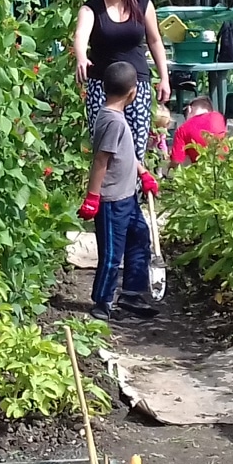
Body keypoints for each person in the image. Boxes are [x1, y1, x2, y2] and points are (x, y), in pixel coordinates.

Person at [78, 61, 159, 320]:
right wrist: (93, 196)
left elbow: (125, 154)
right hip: (112, 200)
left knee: (139, 238)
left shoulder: (116, 117)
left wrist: (142, 172)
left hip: (128, 196)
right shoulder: (112, 121)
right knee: (112, 254)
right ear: (133, 93)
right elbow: (101, 160)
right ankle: (102, 301)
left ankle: (132, 293)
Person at [73, 0, 171, 159]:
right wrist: (81, 57)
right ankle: (105, 191)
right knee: (104, 147)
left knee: (136, 146)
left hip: (137, 86)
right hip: (102, 86)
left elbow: (154, 41)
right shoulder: (91, 8)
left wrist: (164, 78)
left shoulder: (142, 3)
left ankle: (135, 190)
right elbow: (81, 34)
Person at [170, 96, 229, 166]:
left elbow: (176, 161)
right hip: (225, 166)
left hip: (201, 170)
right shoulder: (220, 117)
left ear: (189, 109)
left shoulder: (182, 129)